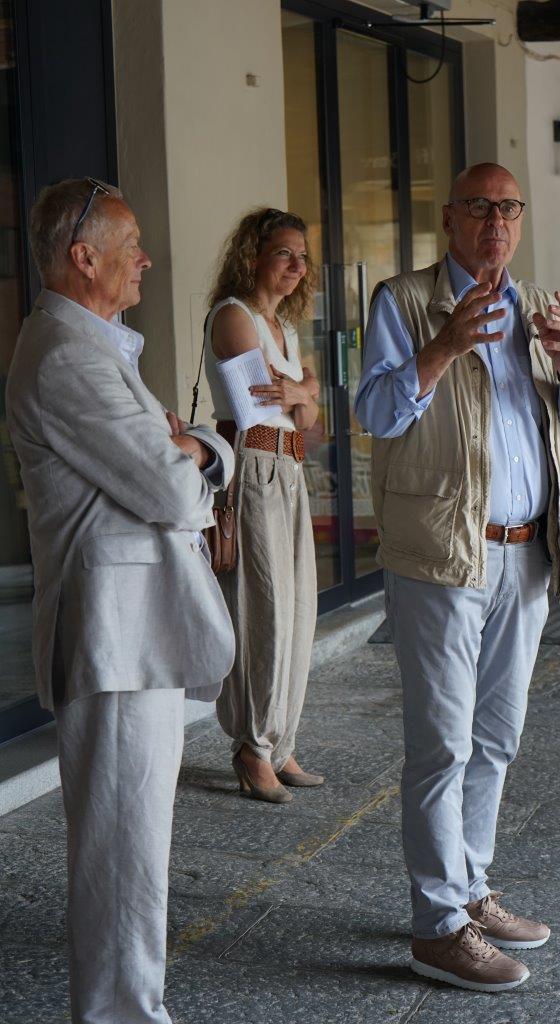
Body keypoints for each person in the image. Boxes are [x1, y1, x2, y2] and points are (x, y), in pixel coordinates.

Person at [355, 163, 560, 993]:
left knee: (496, 736)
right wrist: (443, 348)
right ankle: (437, 928)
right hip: (441, 554)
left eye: (508, 208)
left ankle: (469, 889)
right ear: (451, 219)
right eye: (479, 207)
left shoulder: (536, 306)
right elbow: (375, 413)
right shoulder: (403, 302)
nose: (496, 222)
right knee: (442, 744)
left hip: (527, 552)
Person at [6, 178, 235, 1024]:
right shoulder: (67, 357)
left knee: (134, 854)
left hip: (135, 635)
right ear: (83, 257)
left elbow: (165, 468)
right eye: (131, 245)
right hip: (115, 641)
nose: (146, 260)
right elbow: (171, 490)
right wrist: (204, 450)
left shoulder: (90, 347)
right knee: (121, 860)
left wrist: (185, 446)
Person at [204, 207, 322, 804]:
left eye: (302, 256)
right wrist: (305, 391)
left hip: (291, 469)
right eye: (284, 253)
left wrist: (302, 392)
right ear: (253, 255)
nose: (297, 265)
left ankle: (280, 740)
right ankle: (252, 748)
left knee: (300, 611)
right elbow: (257, 405)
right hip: (252, 467)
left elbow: (311, 417)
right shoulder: (234, 316)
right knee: (264, 611)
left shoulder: (284, 329)